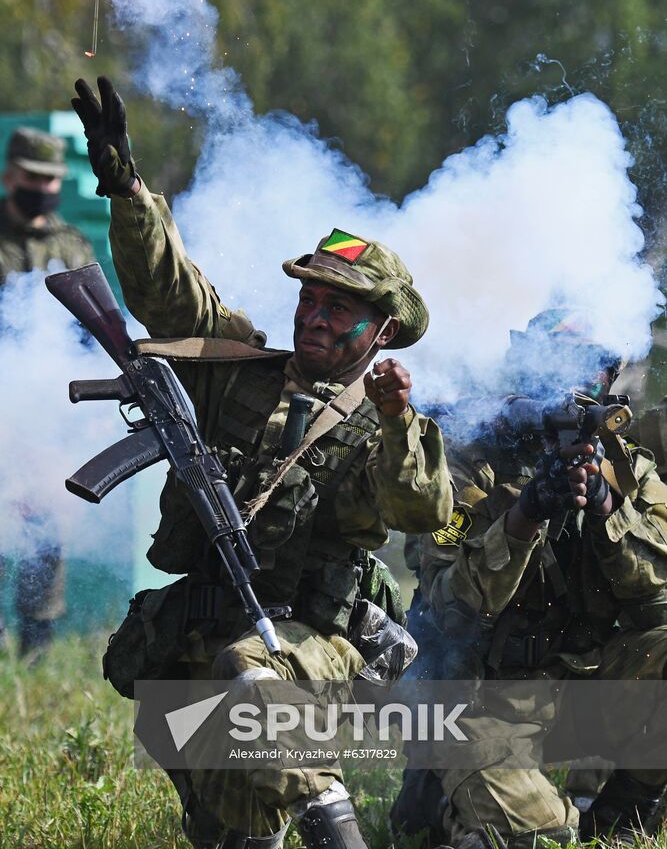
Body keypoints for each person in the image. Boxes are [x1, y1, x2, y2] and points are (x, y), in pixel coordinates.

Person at [71, 76, 453, 849]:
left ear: (380, 331)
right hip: (208, 625)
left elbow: (421, 513)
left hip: (319, 643)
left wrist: (395, 421)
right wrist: (127, 189)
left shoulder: (390, 423)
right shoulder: (239, 366)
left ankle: (332, 817)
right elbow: (171, 298)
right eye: (309, 298)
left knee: (253, 679)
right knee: (226, 817)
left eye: (338, 307)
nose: (314, 314)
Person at [394, 309, 667, 849]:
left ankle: (628, 806)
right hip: (477, 700)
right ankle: (440, 798)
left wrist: (609, 509)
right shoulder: (463, 461)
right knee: (542, 836)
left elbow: (657, 594)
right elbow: (451, 612)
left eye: (590, 363)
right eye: (554, 354)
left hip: (575, 692)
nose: (571, 377)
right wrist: (526, 516)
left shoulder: (627, 468)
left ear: (610, 377)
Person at [0, 127, 93, 657]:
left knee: (45, 530)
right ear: (10, 175)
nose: (42, 187)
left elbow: (87, 329)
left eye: (51, 179)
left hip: (48, 412)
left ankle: (35, 648)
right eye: (33, 178)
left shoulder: (71, 244)